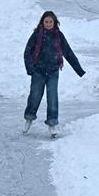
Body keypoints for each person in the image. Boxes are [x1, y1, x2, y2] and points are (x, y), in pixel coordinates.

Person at [22, 10, 86, 138]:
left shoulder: (59, 36)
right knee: (34, 96)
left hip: (53, 71)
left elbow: (68, 53)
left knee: (52, 98)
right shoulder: (36, 35)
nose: (48, 24)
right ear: (42, 22)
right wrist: (30, 69)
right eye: (46, 21)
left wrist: (79, 69)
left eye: (50, 22)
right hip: (38, 71)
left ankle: (52, 123)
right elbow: (27, 52)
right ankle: (29, 118)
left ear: (54, 22)